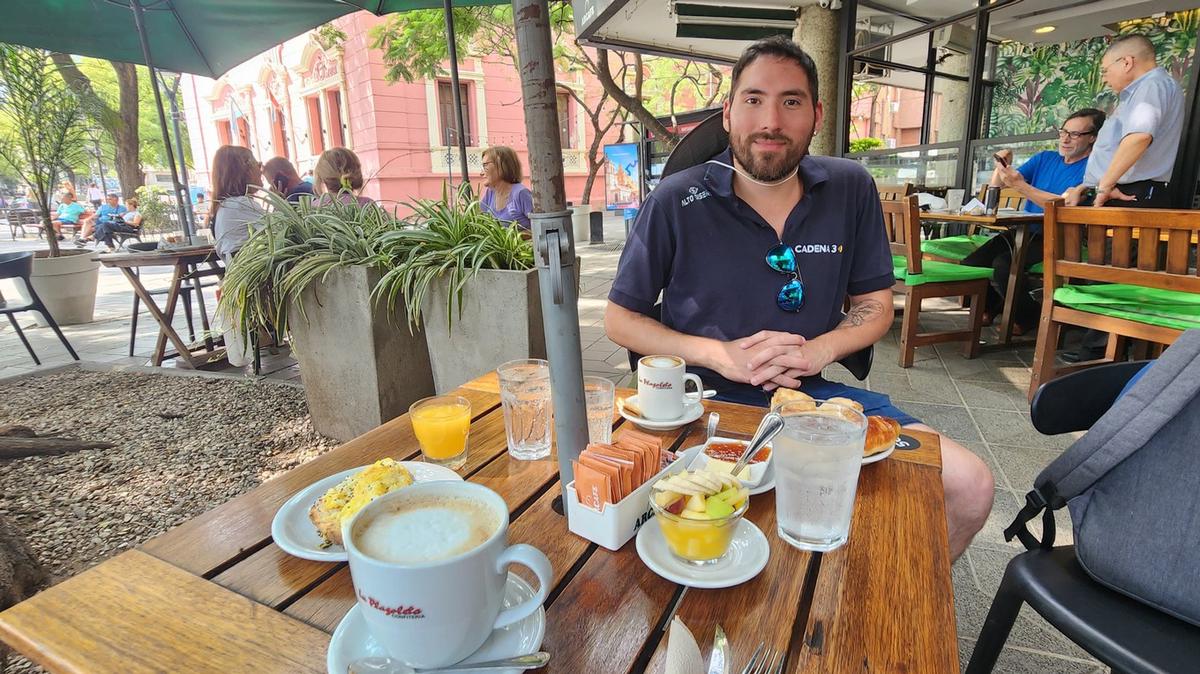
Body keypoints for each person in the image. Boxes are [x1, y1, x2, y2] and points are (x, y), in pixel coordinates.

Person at [603, 36, 993, 561]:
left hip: (813, 402)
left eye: (791, 101)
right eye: (753, 100)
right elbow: (620, 319)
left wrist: (818, 351)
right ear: (728, 114)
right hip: (701, 403)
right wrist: (722, 356)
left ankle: (904, 617)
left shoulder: (850, 188)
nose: (771, 121)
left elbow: (875, 304)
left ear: (816, 114)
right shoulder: (676, 199)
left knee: (970, 485)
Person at [1063, 34, 1184, 362]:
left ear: (1126, 62)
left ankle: (1101, 354)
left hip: (1132, 194)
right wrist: (1089, 186)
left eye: (1106, 69)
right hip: (1122, 190)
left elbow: (1139, 138)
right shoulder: (1140, 92)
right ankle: (1099, 350)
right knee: (1107, 269)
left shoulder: (1151, 86)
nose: (1105, 76)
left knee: (1117, 273)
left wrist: (1105, 185)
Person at [962, 108, 1105, 335]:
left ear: (1092, 138)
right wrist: (1002, 166)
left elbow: (1064, 203)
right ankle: (989, 307)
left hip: (1061, 238)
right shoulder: (1045, 158)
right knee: (973, 263)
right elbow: (999, 186)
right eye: (1063, 132)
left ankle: (1030, 316)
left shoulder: (1093, 169)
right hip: (1024, 231)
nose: (1066, 139)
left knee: (1004, 266)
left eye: (1075, 134)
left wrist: (1021, 186)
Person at [209, 145, 265, 263]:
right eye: (258, 165)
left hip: (238, 273)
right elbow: (280, 233)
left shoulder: (225, 205)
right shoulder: (242, 205)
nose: (261, 170)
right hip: (256, 276)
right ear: (245, 170)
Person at [479, 146, 533, 230]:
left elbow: (540, 229)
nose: (481, 173)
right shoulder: (489, 193)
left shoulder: (521, 193)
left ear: (502, 166)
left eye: (485, 165)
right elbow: (479, 221)